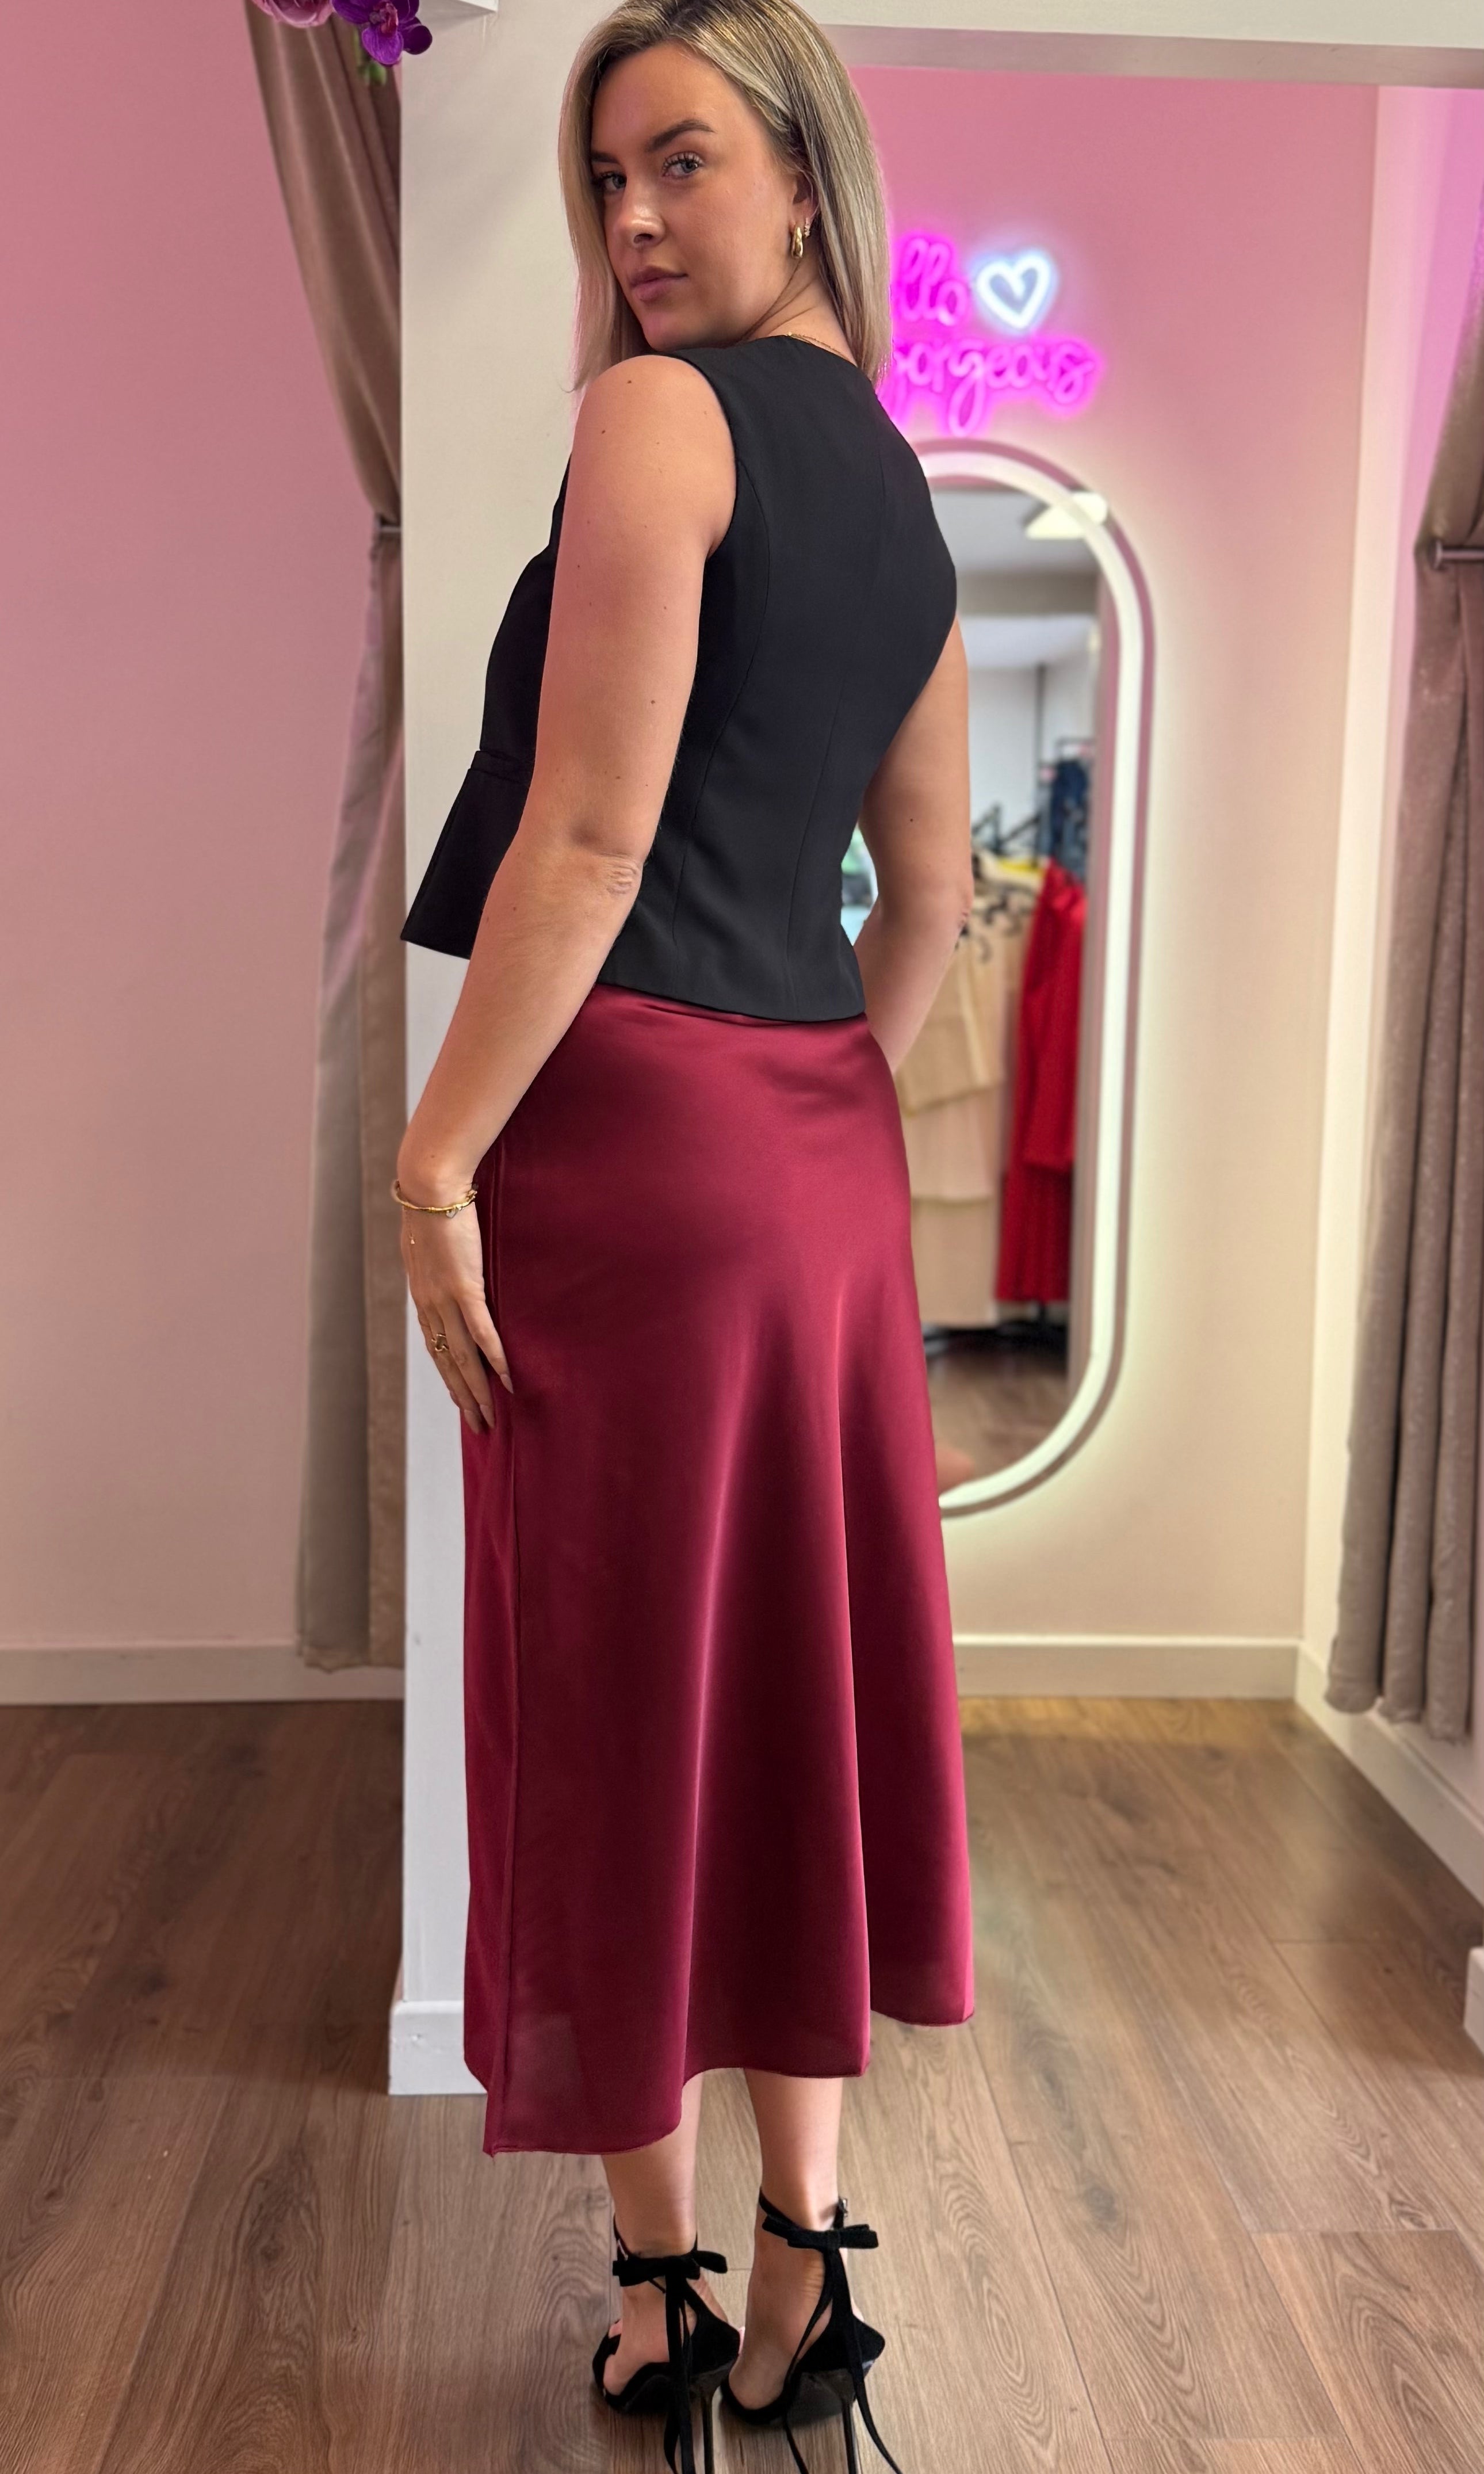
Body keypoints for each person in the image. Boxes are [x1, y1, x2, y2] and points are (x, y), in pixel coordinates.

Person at [393, 4, 976, 2468]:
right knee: (784, 1698)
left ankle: (656, 2292)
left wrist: (436, 1157)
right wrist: (800, 1104)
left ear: (805, 173)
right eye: (607, 180)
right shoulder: (909, 488)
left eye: (683, 164)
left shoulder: (660, 420)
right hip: (816, 1160)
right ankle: (804, 2254)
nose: (633, 221)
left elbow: (590, 837)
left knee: (624, 1704)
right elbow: (926, 896)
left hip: (625, 1142)